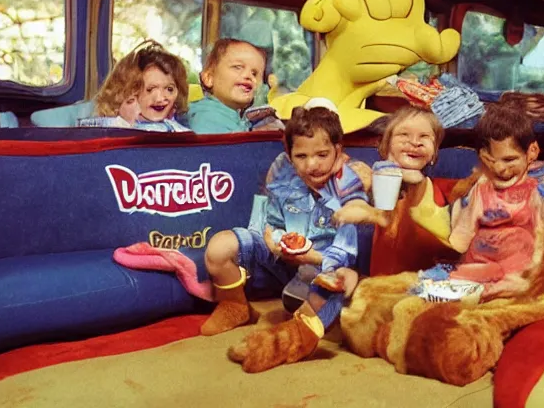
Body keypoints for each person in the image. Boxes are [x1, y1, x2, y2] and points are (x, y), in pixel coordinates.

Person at [203, 106, 370, 371]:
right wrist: (274, 239)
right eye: (301, 156)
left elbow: (346, 251)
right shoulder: (284, 179)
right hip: (282, 262)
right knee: (220, 246)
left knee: (341, 277)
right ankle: (234, 305)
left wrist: (312, 257)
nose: (311, 164)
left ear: (338, 152)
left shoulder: (350, 189)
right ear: (290, 157)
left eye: (322, 154)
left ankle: (295, 334)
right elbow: (273, 222)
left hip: (324, 268)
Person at [425, 104, 544, 300]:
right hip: (476, 269)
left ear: (532, 152)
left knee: (515, 286)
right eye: (491, 161)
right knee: (429, 285)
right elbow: (458, 228)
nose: (500, 169)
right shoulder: (480, 188)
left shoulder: (541, 189)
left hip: (516, 276)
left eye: (510, 160)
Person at [335, 106, 461, 276]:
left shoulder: (446, 190)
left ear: (434, 153)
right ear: (386, 145)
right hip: (379, 287)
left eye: (424, 136)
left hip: (429, 287)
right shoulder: (368, 180)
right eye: (404, 135)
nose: (415, 142)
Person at [78, 40, 190, 131]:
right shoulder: (106, 126)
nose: (161, 98)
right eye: (150, 90)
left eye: (169, 89)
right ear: (128, 93)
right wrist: (125, 123)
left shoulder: (179, 131)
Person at [184, 38, 268, 134]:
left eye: (254, 73)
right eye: (237, 67)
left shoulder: (243, 119)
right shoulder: (205, 117)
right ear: (209, 78)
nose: (248, 76)